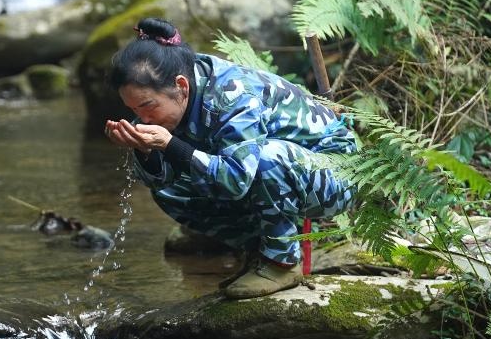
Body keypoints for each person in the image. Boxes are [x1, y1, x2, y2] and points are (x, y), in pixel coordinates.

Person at [103, 17, 357, 299]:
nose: (143, 118)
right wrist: (145, 150)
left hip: (335, 173)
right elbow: (163, 179)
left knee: (267, 159)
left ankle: (282, 263)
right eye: (134, 110)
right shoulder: (177, 91)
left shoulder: (232, 95)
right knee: (171, 191)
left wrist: (169, 144)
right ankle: (258, 252)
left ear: (181, 86)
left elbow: (236, 179)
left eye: (147, 106)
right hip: (277, 173)